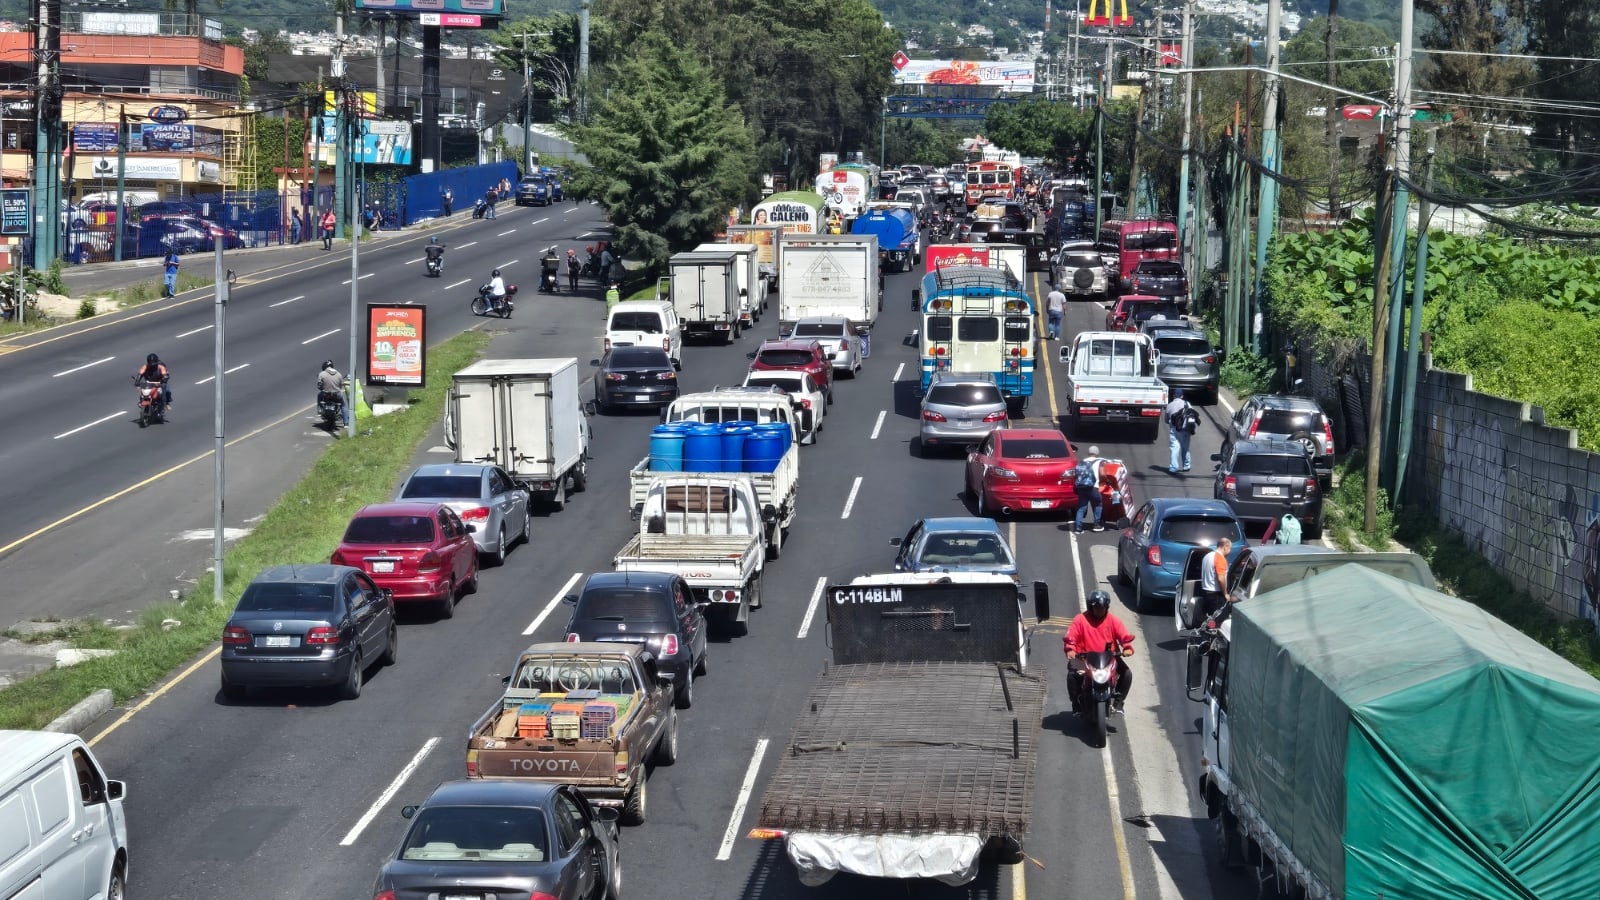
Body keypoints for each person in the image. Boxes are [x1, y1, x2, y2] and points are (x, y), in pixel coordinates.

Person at [1064, 590, 1135, 715]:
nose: (1099, 611)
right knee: (1072, 676)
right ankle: (1076, 704)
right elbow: (1071, 637)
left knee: (1127, 674)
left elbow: (1124, 636)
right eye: (1096, 608)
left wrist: (1127, 647)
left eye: (1102, 608)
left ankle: (1118, 702)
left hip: (1109, 658)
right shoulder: (1080, 620)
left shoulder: (1113, 621)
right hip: (1084, 658)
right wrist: (1070, 649)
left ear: (1106, 607)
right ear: (1091, 607)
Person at [1165, 388, 1198, 475]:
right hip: (1186, 429)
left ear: (1173, 395)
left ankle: (1173, 468)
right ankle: (1186, 465)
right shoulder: (1187, 404)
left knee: (1174, 448)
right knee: (1185, 447)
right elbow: (1192, 414)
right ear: (1182, 396)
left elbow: (1166, 420)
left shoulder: (1169, 405)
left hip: (1174, 430)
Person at [1199, 537, 1233, 617]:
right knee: (1219, 619)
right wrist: (1225, 593)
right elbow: (1221, 578)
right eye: (1230, 548)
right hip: (1216, 594)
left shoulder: (1207, 556)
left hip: (1206, 591)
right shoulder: (1220, 558)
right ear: (1225, 547)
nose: (1230, 551)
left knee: (1210, 618)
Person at [1072, 453, 1104, 534]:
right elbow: (1102, 474)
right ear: (1097, 453)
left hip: (1082, 487)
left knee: (1081, 507)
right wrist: (1106, 480)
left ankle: (1078, 528)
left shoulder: (1083, 461)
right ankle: (1097, 525)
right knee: (1098, 503)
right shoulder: (1099, 461)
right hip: (1093, 487)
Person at [318, 359, 350, 427]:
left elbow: (319, 386)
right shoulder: (339, 374)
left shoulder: (322, 374)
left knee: (319, 395)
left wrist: (322, 388)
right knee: (343, 405)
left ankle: (320, 410)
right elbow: (340, 386)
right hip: (337, 394)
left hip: (326, 394)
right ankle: (346, 423)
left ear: (324, 367)